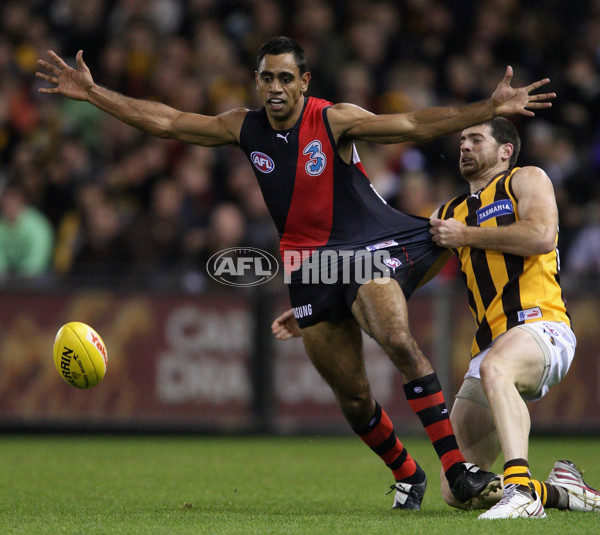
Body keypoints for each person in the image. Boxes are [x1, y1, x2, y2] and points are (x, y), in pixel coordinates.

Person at [37, 36, 555, 510]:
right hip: (308, 266)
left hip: (365, 247)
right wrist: (95, 94)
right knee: (353, 397)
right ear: (257, 81)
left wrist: (489, 108)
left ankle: (455, 470)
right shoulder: (244, 127)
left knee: (397, 336)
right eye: (267, 77)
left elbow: (413, 125)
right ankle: (408, 474)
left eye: (286, 78)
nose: (276, 87)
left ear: (304, 82)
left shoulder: (333, 120)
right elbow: (170, 122)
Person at [429, 117, 600, 518]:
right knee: (457, 487)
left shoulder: (525, 179)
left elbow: (541, 235)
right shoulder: (450, 212)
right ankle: (558, 491)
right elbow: (405, 273)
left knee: (497, 368)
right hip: (491, 343)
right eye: (461, 141)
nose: (464, 147)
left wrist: (466, 236)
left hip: (541, 324)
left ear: (505, 150)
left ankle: (521, 493)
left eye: (476, 139)